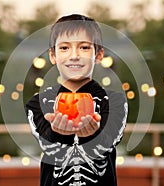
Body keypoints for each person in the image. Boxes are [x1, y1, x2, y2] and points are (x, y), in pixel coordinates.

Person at [25, 14, 128, 186]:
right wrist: (58, 134)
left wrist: (93, 136)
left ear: (99, 55)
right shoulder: (38, 103)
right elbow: (48, 145)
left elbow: (108, 142)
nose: (74, 56)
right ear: (52, 55)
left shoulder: (115, 101)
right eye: (64, 48)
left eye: (84, 48)